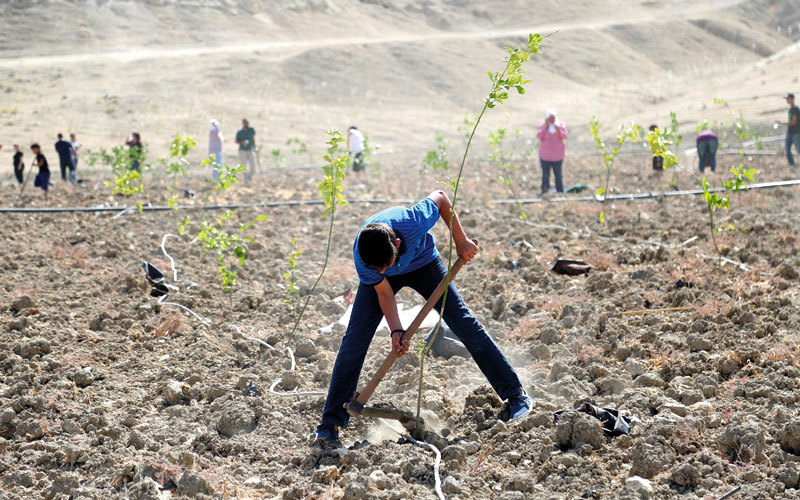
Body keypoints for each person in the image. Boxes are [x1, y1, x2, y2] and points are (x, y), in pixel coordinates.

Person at [312, 190, 531, 444]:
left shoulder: (412, 221)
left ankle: (516, 394)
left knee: (462, 321)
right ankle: (330, 423)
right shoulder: (365, 258)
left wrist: (460, 240)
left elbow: (440, 198)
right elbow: (384, 292)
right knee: (353, 341)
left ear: (396, 245)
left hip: (423, 263)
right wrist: (396, 331)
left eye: (386, 265)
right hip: (380, 282)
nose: (384, 271)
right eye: (378, 269)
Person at [537, 109, 568, 194]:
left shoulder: (560, 125)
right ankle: (544, 190)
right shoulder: (543, 126)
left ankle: (560, 191)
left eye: (553, 118)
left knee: (558, 174)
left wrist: (559, 130)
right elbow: (539, 136)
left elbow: (565, 136)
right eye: (550, 118)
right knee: (545, 175)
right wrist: (545, 127)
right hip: (545, 156)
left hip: (557, 156)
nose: (551, 120)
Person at [776, 93, 800, 166]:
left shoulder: (795, 109)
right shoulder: (791, 109)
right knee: (787, 149)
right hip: (790, 132)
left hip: (796, 133)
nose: (786, 100)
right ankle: (792, 164)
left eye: (788, 98)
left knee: (799, 149)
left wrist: (781, 123)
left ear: (792, 99)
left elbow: (793, 122)